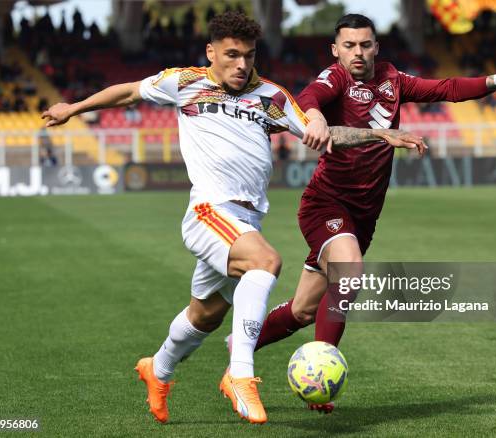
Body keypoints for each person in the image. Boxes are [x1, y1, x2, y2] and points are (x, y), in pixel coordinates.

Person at [42, 11, 424, 425]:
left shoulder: (270, 97)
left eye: (249, 55)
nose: (242, 65)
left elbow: (325, 134)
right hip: (209, 211)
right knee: (266, 262)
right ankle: (240, 375)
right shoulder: (185, 82)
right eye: (232, 55)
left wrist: (378, 134)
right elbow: (129, 92)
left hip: (245, 222)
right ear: (212, 52)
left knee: (205, 315)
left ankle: (159, 367)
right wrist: (74, 108)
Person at [244, 13, 496, 414]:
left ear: (376, 47)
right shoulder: (336, 79)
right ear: (336, 50)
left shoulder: (393, 80)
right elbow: (309, 96)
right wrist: (312, 116)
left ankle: (237, 347)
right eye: (349, 45)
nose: (358, 52)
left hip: (363, 217)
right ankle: (319, 370)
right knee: (349, 274)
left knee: (304, 310)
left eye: (365, 44)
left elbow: (446, 88)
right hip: (326, 204)